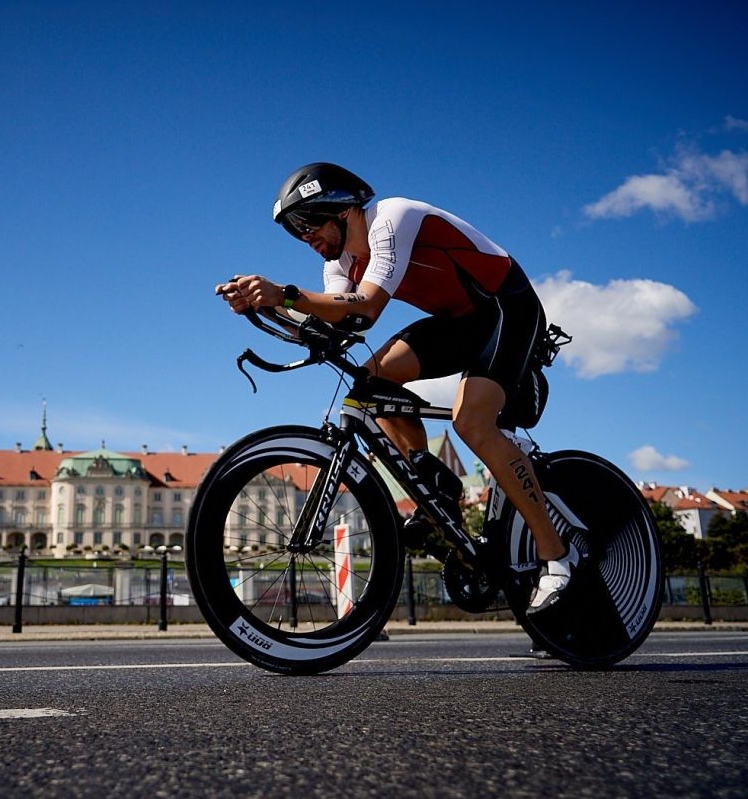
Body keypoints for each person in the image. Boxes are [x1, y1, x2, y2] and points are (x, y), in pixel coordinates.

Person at [215, 163, 576, 613]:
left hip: (507, 310)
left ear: (343, 211)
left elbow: (364, 308)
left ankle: (556, 555)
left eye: (308, 223)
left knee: (471, 422)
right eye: (294, 230)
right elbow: (335, 319)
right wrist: (262, 304)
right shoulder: (340, 262)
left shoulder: (393, 218)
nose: (305, 236)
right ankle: (433, 482)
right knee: (370, 382)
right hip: (459, 325)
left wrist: (284, 294)